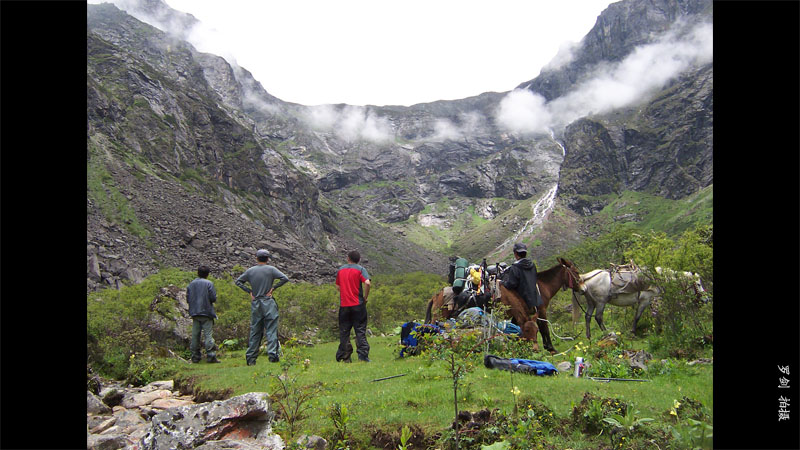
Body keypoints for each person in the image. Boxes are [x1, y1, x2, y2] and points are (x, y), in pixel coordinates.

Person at [235, 249, 289, 365]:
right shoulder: (271, 270)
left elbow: (238, 282)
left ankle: (251, 358)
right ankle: (272, 355)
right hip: (268, 302)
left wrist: (249, 291)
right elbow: (285, 278)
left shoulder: (250, 271)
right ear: (268, 258)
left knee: (255, 330)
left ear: (256, 258)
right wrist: (273, 288)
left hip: (256, 303)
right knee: (271, 329)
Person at [335, 250, 371, 362]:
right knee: (360, 330)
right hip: (358, 304)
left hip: (344, 305)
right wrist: (365, 297)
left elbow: (337, 286)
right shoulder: (360, 269)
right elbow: (367, 282)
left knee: (344, 331)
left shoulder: (341, 270)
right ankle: (362, 356)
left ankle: (345, 357)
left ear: (348, 258)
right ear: (358, 260)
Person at [187, 265, 220, 363]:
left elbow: (188, 298)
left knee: (195, 335)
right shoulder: (209, 283)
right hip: (206, 312)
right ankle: (211, 356)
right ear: (207, 274)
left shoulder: (191, 284)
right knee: (208, 335)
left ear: (198, 273)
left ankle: (195, 357)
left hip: (194, 312)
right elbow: (213, 298)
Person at [502, 243, 541, 313]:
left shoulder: (515, 267)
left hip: (521, 302)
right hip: (534, 301)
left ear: (515, 253)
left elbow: (511, 284)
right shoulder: (532, 265)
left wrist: (503, 283)